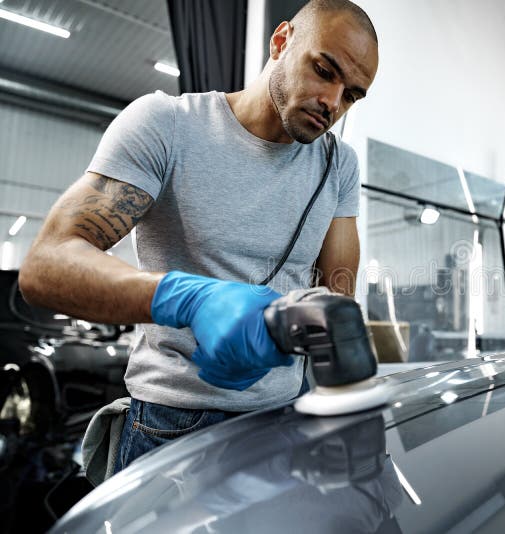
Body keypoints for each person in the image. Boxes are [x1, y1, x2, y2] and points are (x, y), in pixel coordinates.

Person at [18, 0, 379, 474]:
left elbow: (336, 295)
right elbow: (47, 264)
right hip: (172, 425)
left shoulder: (339, 165)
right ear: (281, 41)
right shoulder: (168, 125)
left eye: (351, 94)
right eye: (323, 70)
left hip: (286, 418)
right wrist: (187, 298)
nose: (333, 103)